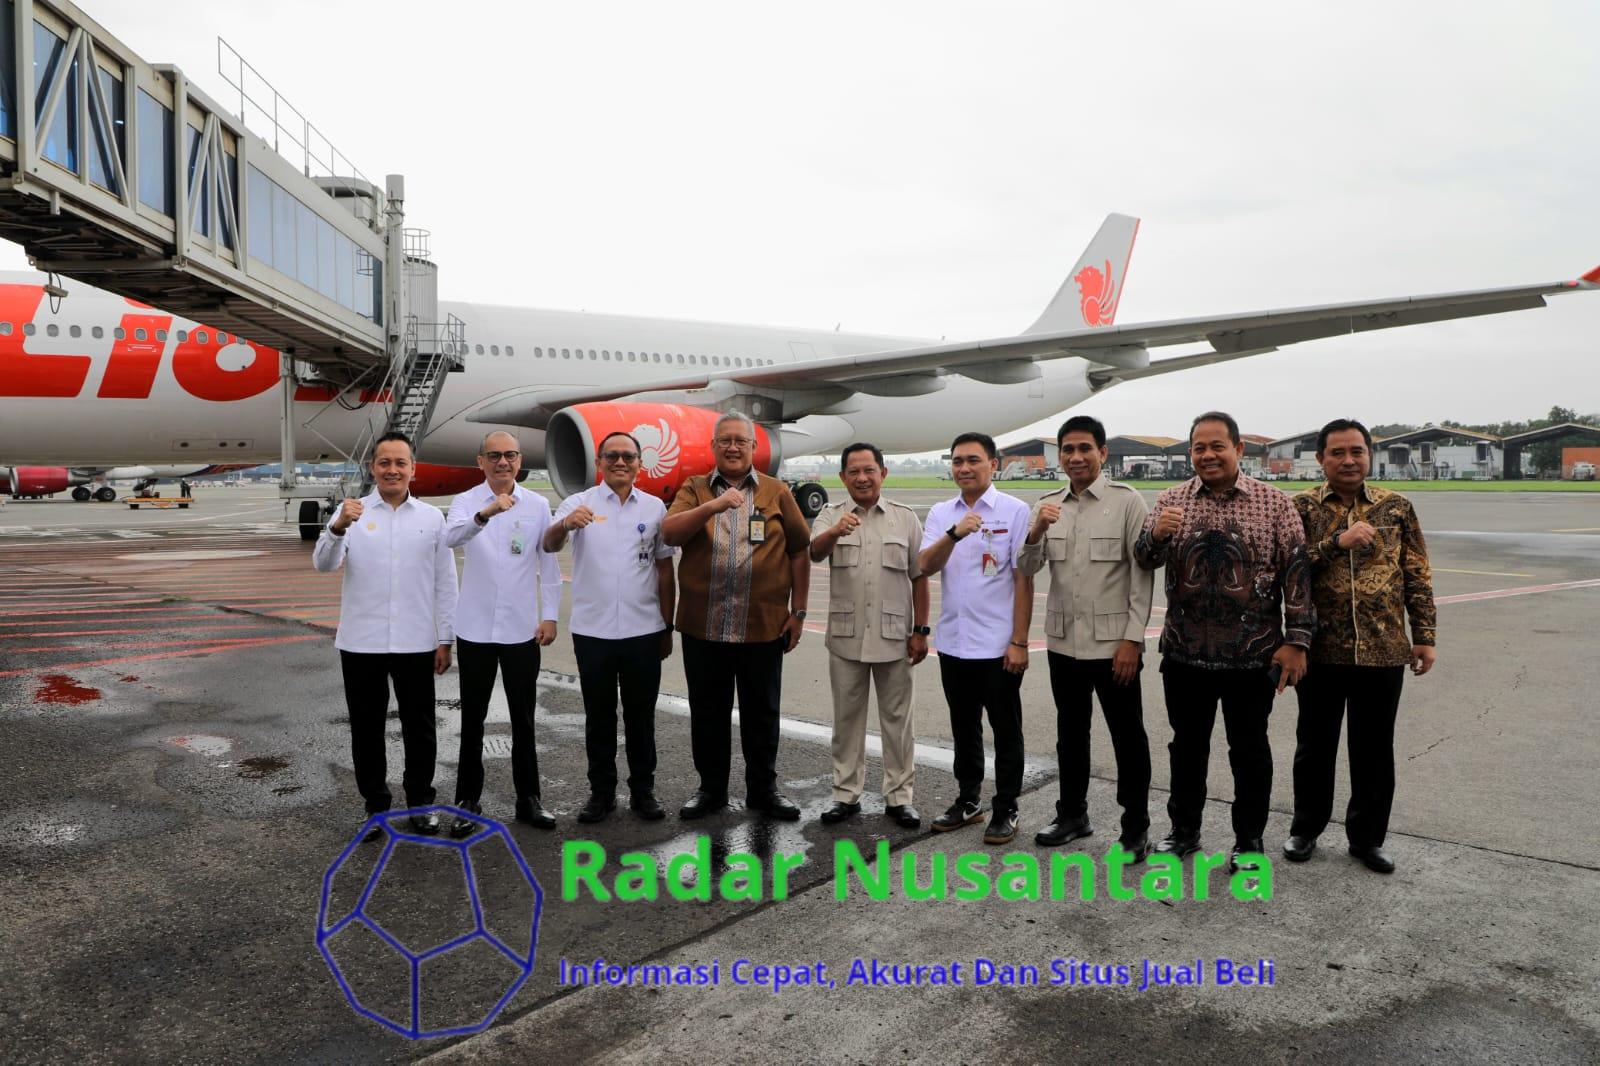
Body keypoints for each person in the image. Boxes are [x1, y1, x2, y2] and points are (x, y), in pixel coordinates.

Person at [1134, 411, 1314, 872]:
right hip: (1185, 653)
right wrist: (1156, 535)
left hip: (1251, 656)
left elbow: (1297, 574)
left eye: (1217, 446)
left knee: (1250, 751)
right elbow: (1143, 559)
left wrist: (1297, 641)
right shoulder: (1171, 499)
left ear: (1239, 449)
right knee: (1186, 748)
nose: (1208, 455)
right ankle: (1184, 831)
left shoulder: (1275, 504)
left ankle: (1249, 840)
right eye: (1199, 447)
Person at [1286, 419, 1437, 874]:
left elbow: (1417, 574)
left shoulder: (1397, 507)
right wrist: (1337, 543)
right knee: (1314, 746)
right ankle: (1305, 829)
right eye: (1338, 452)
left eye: (1357, 451)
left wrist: (1425, 636)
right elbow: (1287, 569)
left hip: (1383, 648)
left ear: (1370, 455)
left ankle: (1368, 839)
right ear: (1320, 459)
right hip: (1320, 650)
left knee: (1374, 750)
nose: (1348, 460)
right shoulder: (1300, 508)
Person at [662, 412, 811, 820]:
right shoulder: (694, 488)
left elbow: (800, 550)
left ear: (753, 447)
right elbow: (670, 533)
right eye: (724, 440)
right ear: (713, 446)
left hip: (762, 626)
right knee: (707, 712)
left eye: (740, 441)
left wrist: (798, 611)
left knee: (761, 713)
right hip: (703, 626)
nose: (732, 447)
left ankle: (763, 790)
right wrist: (713, 505)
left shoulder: (777, 491)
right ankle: (711, 790)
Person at [1018, 415, 1155, 858]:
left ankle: (1135, 827)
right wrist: (1037, 530)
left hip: (1114, 647)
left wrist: (1132, 639)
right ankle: (1072, 814)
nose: (1075, 457)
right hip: (1064, 644)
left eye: (1084, 448)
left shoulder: (1127, 502)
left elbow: (1142, 575)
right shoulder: (1047, 505)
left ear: (1102, 453)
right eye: (1067, 450)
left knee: (1127, 737)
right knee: (1070, 734)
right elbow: (1027, 567)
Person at [313, 431, 456, 839]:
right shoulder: (352, 513)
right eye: (384, 462)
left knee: (420, 728)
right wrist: (338, 526)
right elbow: (323, 564)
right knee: (366, 729)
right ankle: (375, 805)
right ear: (372, 467)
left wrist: (446, 638)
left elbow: (446, 582)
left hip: (416, 641)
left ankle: (420, 803)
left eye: (400, 463)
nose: (392, 470)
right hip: (362, 642)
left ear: (413, 469)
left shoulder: (432, 518)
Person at [544, 431, 676, 824]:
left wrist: (667, 626)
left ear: (639, 464)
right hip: (594, 632)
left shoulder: (654, 507)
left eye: (628, 456)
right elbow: (548, 544)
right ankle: (601, 793)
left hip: (643, 630)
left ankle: (643, 791)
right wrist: (565, 524)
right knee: (598, 717)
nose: (620, 462)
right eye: (612, 456)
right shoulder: (578, 503)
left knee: (641, 717)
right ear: (599, 462)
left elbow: (665, 569)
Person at [917, 431, 1033, 845]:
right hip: (953, 642)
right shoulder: (941, 513)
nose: (963, 468)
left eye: (973, 460)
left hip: (998, 646)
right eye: (957, 461)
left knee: (1006, 729)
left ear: (993, 464)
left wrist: (1019, 640)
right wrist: (954, 533)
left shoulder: (1015, 511)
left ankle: (1006, 807)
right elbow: (924, 565)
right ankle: (968, 800)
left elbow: (1023, 579)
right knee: (964, 727)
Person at [444, 431, 562, 835]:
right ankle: (467, 800)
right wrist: (486, 513)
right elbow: (451, 538)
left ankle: (529, 798)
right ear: (480, 461)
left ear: (519, 460)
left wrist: (550, 616)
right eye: (493, 455)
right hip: (475, 628)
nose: (502, 462)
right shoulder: (466, 501)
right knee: (473, 719)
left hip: (520, 629)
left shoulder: (538, 505)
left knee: (523, 718)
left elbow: (548, 563)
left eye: (510, 455)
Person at [809, 442, 931, 828]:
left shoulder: (905, 518)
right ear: (842, 477)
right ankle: (845, 795)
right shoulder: (830, 515)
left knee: (898, 722)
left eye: (869, 471)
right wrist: (835, 532)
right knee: (847, 721)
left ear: (883, 474)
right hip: (846, 638)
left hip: (895, 637)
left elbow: (919, 577)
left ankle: (900, 797)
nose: (862, 478)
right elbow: (814, 552)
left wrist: (921, 630)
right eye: (854, 472)